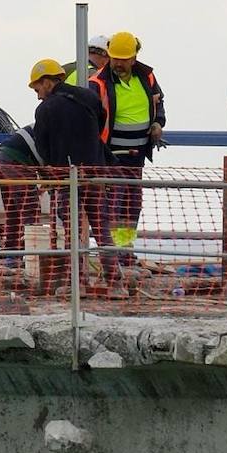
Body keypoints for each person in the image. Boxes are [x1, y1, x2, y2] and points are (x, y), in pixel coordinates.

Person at [28, 58, 123, 294]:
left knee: (72, 231)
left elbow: (43, 148)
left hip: (67, 176)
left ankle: (78, 285)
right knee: (102, 228)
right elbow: (101, 122)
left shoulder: (45, 109)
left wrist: (53, 170)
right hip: (95, 171)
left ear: (48, 82)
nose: (38, 95)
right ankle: (116, 285)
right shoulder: (88, 97)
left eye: (38, 89)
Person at [88, 31, 165, 262]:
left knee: (132, 204)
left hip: (137, 154)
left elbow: (158, 102)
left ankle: (125, 249)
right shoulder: (98, 83)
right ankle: (112, 254)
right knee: (113, 203)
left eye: (124, 59)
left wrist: (158, 123)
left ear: (134, 57)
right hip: (111, 155)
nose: (118, 64)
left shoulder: (147, 77)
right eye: (115, 58)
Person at [0, 125, 44, 268]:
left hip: (2, 157)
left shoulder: (46, 123)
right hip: (16, 160)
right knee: (30, 209)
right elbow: (52, 159)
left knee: (13, 211)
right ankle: (32, 257)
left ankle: (12, 256)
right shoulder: (56, 130)